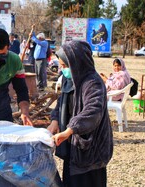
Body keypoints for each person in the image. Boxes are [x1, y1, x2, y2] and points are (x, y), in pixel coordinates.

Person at [47, 40, 113, 187]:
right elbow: (61, 103)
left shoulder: (93, 82)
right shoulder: (68, 79)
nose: (62, 70)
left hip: (91, 147)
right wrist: (54, 121)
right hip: (72, 143)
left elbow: (93, 111)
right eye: (61, 66)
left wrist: (69, 130)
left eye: (65, 66)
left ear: (77, 63)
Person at [30, 25, 48, 91]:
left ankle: (41, 86)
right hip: (36, 60)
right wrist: (33, 31)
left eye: (39, 38)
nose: (38, 38)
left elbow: (36, 40)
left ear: (41, 37)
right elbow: (35, 38)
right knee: (37, 73)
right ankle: (38, 85)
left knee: (40, 73)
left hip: (41, 60)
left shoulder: (44, 42)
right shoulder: (39, 42)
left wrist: (32, 37)